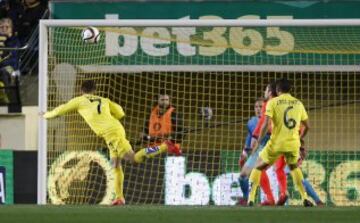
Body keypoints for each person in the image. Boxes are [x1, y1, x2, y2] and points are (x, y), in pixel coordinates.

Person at [42, 80, 182, 205]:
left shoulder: (79, 100)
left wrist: (45, 115)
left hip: (111, 133)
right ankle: (119, 198)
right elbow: (120, 113)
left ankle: (165, 146)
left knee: (133, 158)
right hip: (113, 131)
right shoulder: (104, 100)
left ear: (81, 90)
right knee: (115, 164)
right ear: (95, 90)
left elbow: (60, 109)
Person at [247, 78, 313, 207]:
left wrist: (258, 141)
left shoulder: (273, 102)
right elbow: (307, 126)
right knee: (294, 168)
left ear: (277, 90)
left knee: (258, 166)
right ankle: (305, 198)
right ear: (290, 90)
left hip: (276, 143)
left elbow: (265, 124)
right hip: (293, 144)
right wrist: (300, 138)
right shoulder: (298, 103)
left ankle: (251, 199)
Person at [238, 97, 274, 205]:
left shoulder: (268, 120)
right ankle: (246, 198)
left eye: (261, 106)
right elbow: (250, 137)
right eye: (256, 107)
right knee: (243, 176)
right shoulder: (252, 121)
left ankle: (270, 198)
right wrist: (244, 152)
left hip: (273, 150)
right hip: (259, 151)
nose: (258, 109)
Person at [0, 18, 20, 104]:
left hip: (10, 68)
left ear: (11, 29)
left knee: (3, 72)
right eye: (1, 27)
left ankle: (7, 97)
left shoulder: (15, 41)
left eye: (7, 27)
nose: (4, 29)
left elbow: (13, 59)